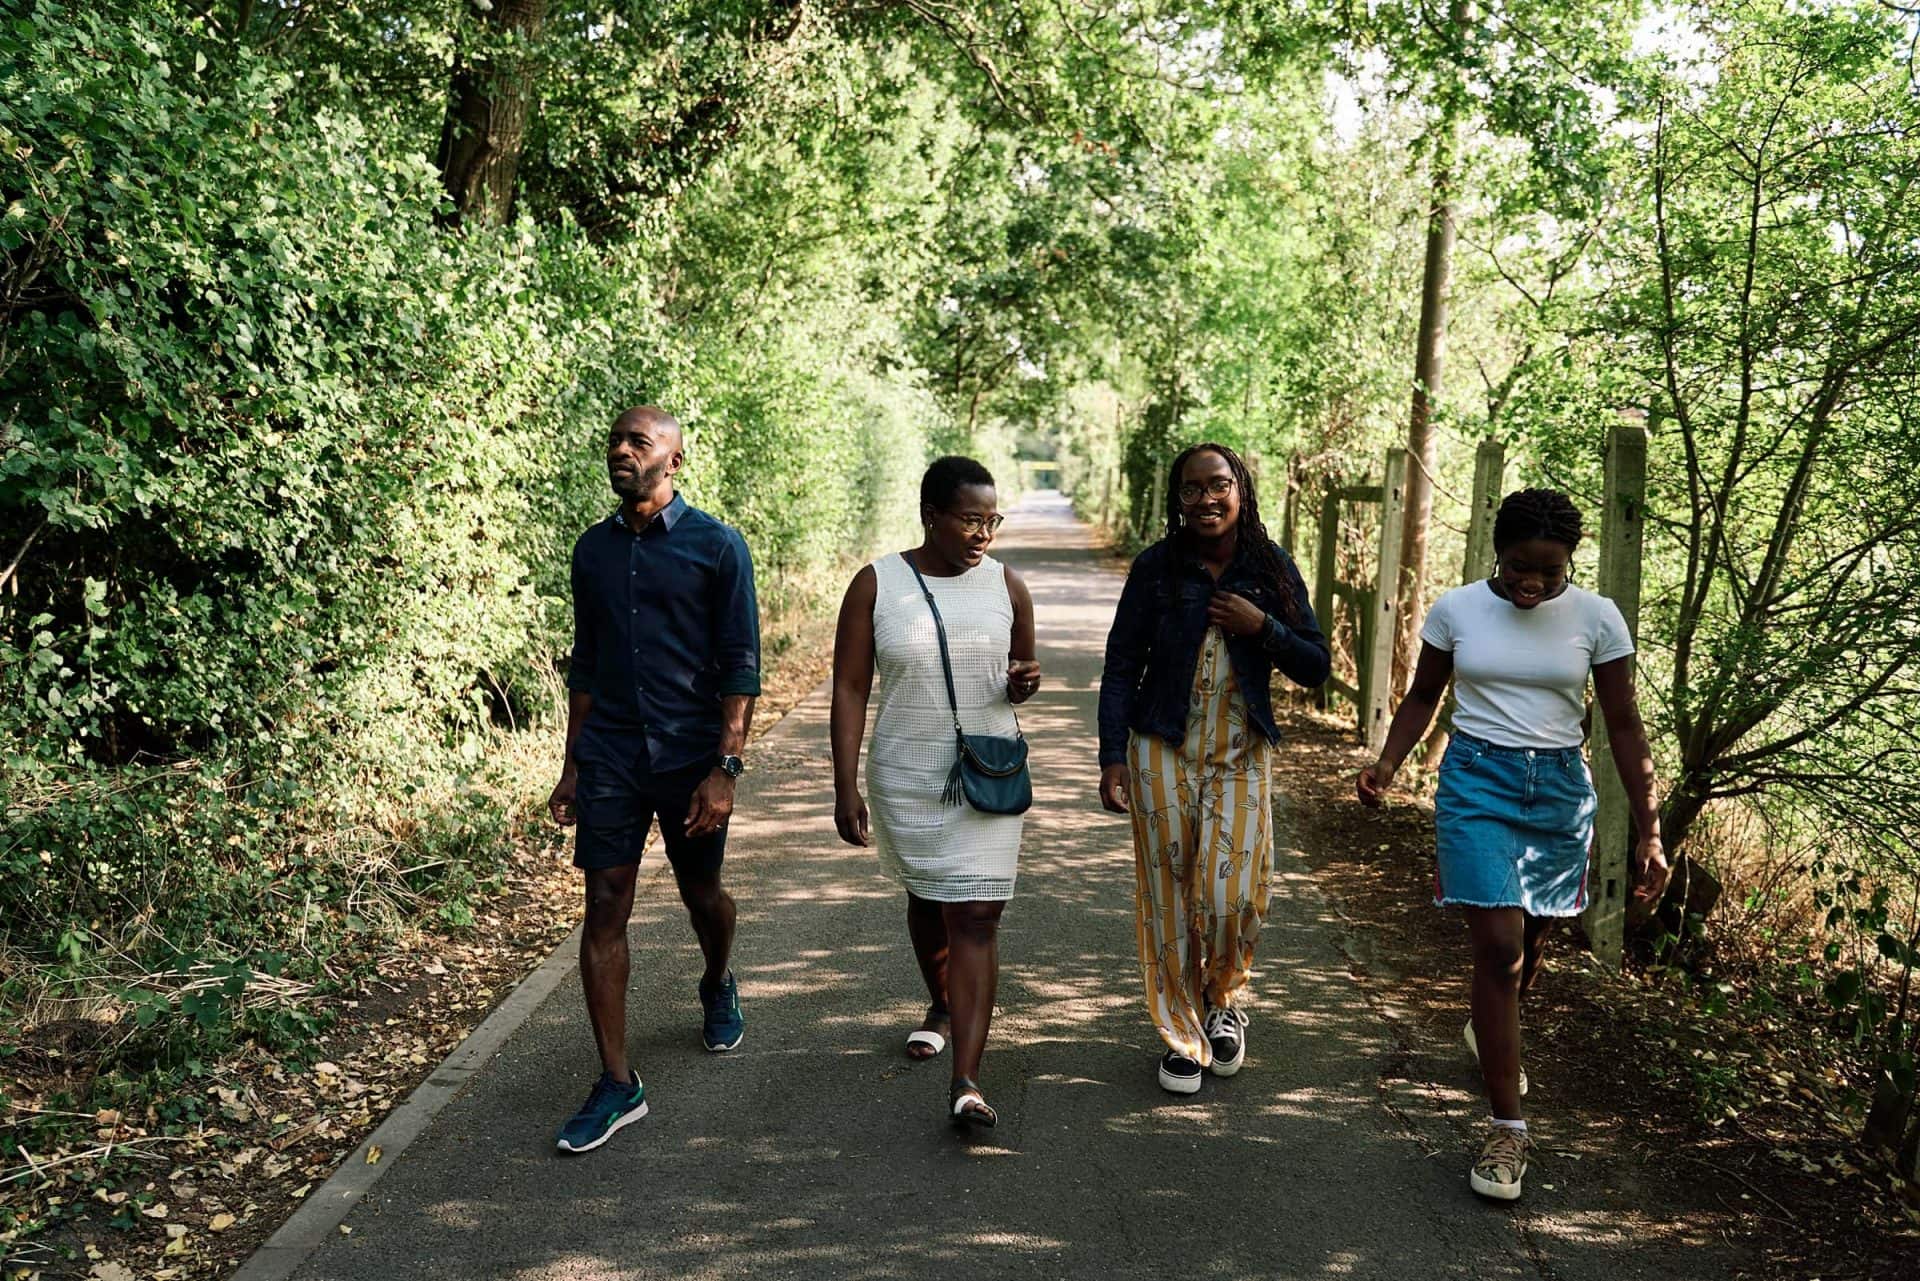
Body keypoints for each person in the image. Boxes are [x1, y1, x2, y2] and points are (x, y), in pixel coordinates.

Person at [1356, 487, 1668, 1201]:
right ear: (1498, 551)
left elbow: (1623, 724)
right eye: (1520, 566)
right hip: (1476, 782)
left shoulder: (1598, 618)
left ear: (1570, 565)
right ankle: (1507, 1127)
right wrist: (1388, 761)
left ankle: (1491, 1025)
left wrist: (1650, 830)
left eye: (1549, 573)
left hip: (1560, 791)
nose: (1532, 582)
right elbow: (1423, 694)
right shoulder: (1458, 608)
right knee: (1497, 948)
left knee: (1527, 948)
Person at [546, 405, 761, 1154]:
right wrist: (572, 764)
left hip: (688, 758)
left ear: (673, 459)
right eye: (614, 439)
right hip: (611, 755)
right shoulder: (592, 550)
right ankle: (617, 1082)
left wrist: (725, 768)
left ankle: (718, 976)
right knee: (604, 902)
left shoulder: (718, 547)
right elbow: (587, 663)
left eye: (638, 441)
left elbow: (740, 665)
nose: (620, 450)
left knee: (704, 892)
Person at [1098, 443, 1330, 1096]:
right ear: (1178, 499)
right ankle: (1180, 1032)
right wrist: (1112, 755)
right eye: (1192, 489)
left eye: (1219, 484)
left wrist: (1265, 628)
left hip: (1240, 754)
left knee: (1230, 897)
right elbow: (1120, 664)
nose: (1206, 499)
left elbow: (1316, 664)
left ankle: (1223, 997)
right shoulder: (1156, 569)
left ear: (1241, 489)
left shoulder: (1269, 566)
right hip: (1160, 746)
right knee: (1169, 896)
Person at [830, 456, 1040, 1129]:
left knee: (976, 915)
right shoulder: (876, 584)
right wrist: (844, 782)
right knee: (927, 896)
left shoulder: (1009, 586)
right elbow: (851, 686)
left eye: (991, 519)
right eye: (969, 518)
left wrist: (1023, 685)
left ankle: (967, 1080)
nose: (983, 532)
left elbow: (1019, 676)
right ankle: (942, 1003)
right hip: (908, 774)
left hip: (988, 771)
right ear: (930, 515)